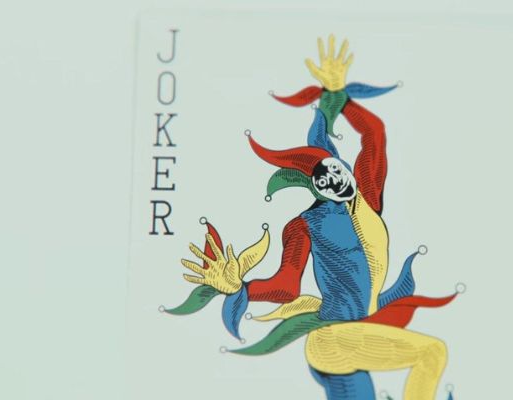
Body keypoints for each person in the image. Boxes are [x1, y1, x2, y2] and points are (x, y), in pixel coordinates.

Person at [181, 35, 456, 400]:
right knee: (432, 352)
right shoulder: (306, 224)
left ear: (343, 166)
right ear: (316, 188)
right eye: (322, 181)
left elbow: (374, 135)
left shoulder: (367, 199)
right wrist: (238, 288)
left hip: (355, 335)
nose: (333, 181)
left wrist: (339, 96)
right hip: (333, 338)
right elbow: (286, 286)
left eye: (334, 170)